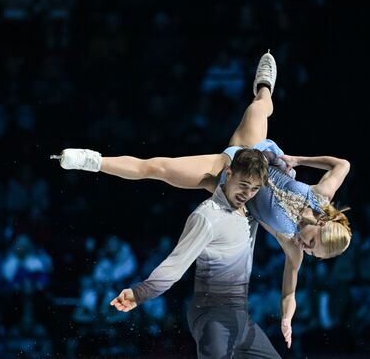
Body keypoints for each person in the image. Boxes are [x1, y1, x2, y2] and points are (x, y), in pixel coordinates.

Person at [54, 52, 351, 347]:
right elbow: (342, 165)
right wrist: (299, 159)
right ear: (322, 223)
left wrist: (287, 319)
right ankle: (265, 85)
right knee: (257, 107)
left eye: (313, 254)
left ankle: (92, 162)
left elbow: (289, 291)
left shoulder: (291, 245)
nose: (306, 249)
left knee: (160, 172)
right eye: (312, 244)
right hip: (248, 157)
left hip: (232, 194)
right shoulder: (320, 195)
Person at [110, 148, 283, 358]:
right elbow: (176, 265)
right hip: (212, 313)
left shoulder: (250, 207)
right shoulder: (207, 216)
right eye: (244, 185)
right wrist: (140, 293)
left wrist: (281, 160)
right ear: (228, 174)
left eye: (254, 188)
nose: (247, 194)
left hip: (241, 316)